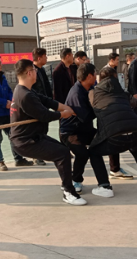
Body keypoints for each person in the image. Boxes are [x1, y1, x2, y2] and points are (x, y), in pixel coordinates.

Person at [9, 59, 84, 205]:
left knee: (62, 151)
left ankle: (66, 184)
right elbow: (44, 115)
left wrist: (68, 108)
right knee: (62, 154)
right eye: (34, 70)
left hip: (34, 136)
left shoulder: (24, 90)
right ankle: (68, 192)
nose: (36, 73)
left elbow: (48, 101)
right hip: (26, 141)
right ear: (29, 73)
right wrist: (64, 114)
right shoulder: (25, 95)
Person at [91, 67, 137, 190]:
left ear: (100, 79)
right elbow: (135, 102)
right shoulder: (123, 93)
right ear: (116, 77)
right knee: (136, 147)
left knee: (94, 152)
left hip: (113, 134)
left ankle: (104, 187)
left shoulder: (94, 93)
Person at [60, 63, 113, 196]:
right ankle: (75, 180)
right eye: (94, 74)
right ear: (89, 76)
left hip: (85, 130)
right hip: (70, 132)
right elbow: (86, 116)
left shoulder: (90, 88)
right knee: (83, 154)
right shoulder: (76, 93)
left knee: (105, 140)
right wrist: (102, 110)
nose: (96, 77)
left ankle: (109, 178)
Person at [0, 54, 32, 171]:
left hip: (6, 112)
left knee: (13, 136)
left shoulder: (2, 77)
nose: (1, 65)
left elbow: (9, 91)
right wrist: (4, 103)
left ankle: (18, 159)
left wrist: (11, 101)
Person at [30, 47, 52, 166]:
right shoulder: (32, 71)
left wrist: (50, 101)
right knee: (36, 131)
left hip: (45, 105)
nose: (46, 58)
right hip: (37, 106)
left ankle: (42, 153)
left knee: (44, 130)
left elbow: (47, 87)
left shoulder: (42, 70)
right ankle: (36, 156)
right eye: (45, 56)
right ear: (39, 58)